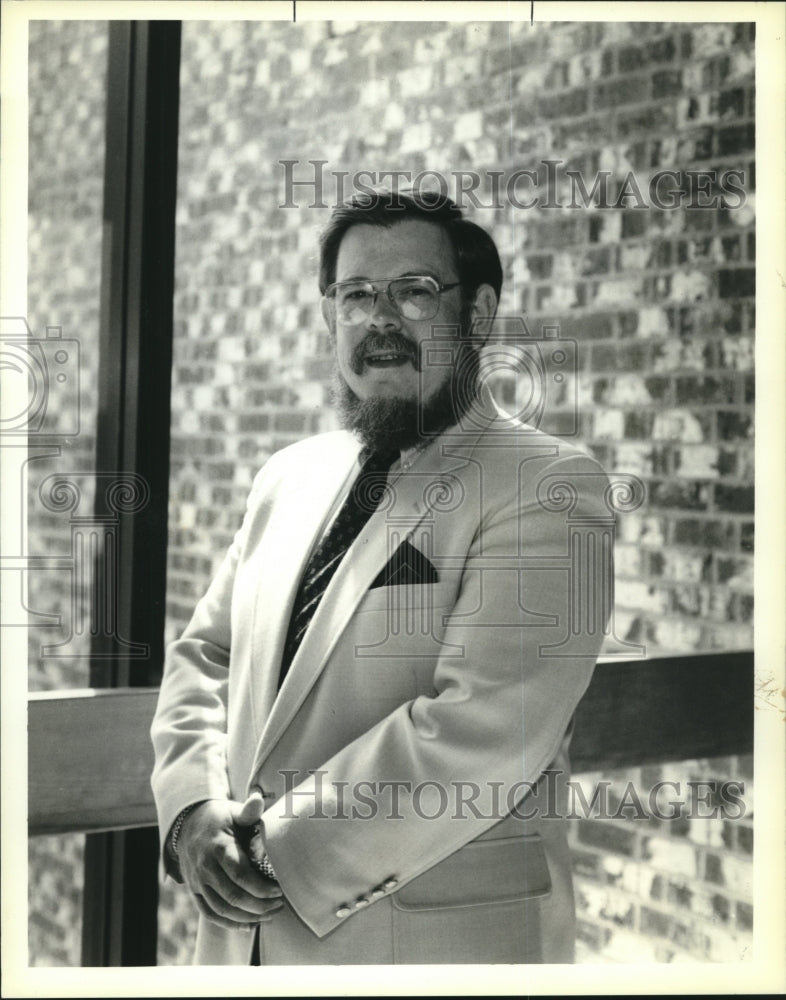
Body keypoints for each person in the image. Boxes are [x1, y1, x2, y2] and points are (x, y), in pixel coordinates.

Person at [151, 188, 611, 965]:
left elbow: (482, 729)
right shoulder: (287, 477)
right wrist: (193, 810)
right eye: (357, 295)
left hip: (430, 948)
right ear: (332, 316)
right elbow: (206, 658)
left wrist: (269, 851)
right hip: (239, 943)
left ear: (479, 313)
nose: (380, 319)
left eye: (414, 291)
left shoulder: (547, 484)